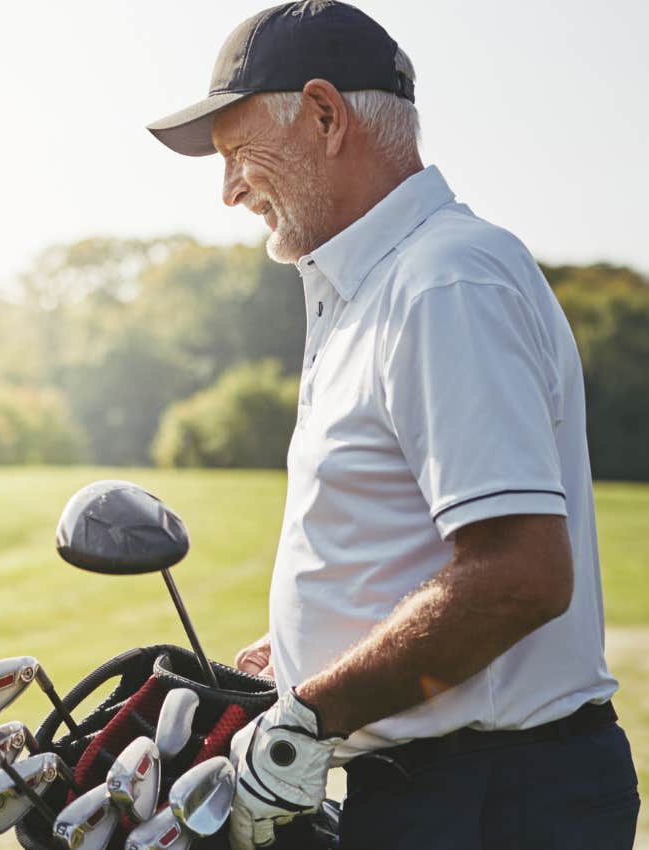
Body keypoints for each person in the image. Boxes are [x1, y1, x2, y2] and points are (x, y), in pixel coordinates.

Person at [147, 3, 640, 848]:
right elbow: (410, 543)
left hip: (495, 800)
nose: (228, 189)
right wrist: (304, 656)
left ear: (327, 116)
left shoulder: (446, 282)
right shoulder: (377, 288)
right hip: (449, 787)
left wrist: (313, 712)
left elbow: (518, 575)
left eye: (238, 153)